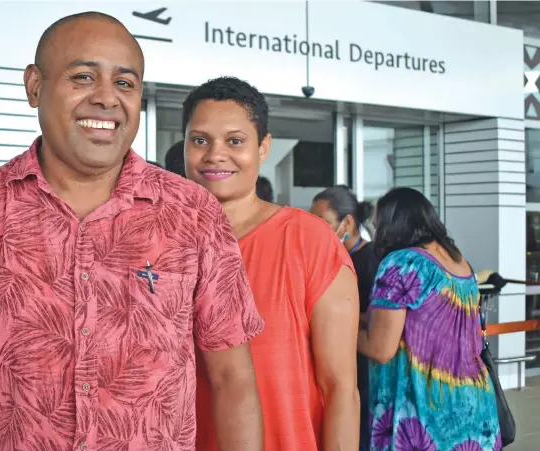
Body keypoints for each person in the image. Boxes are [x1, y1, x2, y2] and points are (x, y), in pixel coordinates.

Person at [0, 12, 264, 451]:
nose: (107, 98)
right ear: (35, 86)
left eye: (125, 84)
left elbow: (232, 379)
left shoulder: (193, 215)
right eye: (83, 77)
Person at [185, 76, 360, 451]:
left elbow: (340, 389)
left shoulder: (309, 240)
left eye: (235, 141)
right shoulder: (162, 242)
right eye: (200, 140)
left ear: (263, 147)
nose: (215, 154)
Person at [358, 187, 500, 451]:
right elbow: (418, 323)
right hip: (475, 408)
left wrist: (334, 329)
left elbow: (379, 348)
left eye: (378, 227)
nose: (377, 235)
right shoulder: (459, 263)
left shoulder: (402, 263)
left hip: (425, 415)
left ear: (394, 225)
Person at [310, 186, 380, 451]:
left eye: (323, 223)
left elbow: (380, 317)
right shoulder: (331, 258)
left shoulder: (371, 261)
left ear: (347, 222)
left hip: (361, 369)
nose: (315, 230)